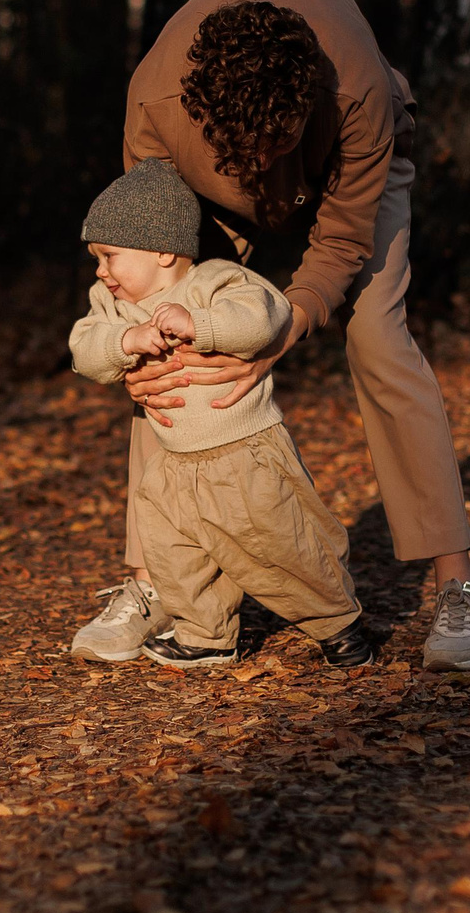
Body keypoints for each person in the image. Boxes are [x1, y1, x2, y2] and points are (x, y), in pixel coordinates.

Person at [67, 0, 470, 672]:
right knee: (170, 352)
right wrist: (139, 345)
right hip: (201, 193)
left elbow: (338, 243)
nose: (266, 168)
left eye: (277, 145)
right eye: (250, 152)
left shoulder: (355, 89)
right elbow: (142, 271)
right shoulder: (155, 102)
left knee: (378, 337)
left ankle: (459, 584)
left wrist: (283, 327)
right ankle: (153, 585)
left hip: (347, 176)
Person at [67, 160, 374, 669]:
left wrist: (201, 325)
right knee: (174, 551)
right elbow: (84, 348)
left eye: (110, 255)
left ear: (163, 250)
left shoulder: (213, 281)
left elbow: (264, 315)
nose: (100, 270)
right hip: (171, 461)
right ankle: (206, 633)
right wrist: (124, 341)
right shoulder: (110, 303)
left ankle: (338, 624)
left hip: (243, 452)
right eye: (96, 257)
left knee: (279, 546)